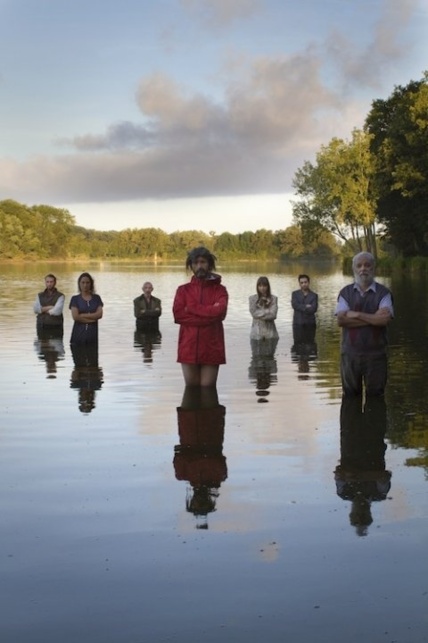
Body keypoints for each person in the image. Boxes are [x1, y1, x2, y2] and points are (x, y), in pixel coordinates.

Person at [336, 251, 393, 396]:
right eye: (359, 265)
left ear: (373, 268)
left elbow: (384, 320)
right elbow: (341, 320)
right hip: (350, 356)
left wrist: (357, 314)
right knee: (350, 399)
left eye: (367, 265)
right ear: (354, 269)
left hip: (376, 356)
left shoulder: (384, 293)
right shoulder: (345, 293)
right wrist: (374, 318)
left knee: (376, 399)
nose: (363, 269)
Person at [173, 247, 228, 387]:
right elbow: (179, 316)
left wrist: (191, 308)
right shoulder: (183, 290)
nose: (199, 266)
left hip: (212, 346)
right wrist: (209, 314)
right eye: (195, 263)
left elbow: (220, 313)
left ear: (209, 264)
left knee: (208, 388)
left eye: (203, 262)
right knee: (191, 389)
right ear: (191, 265)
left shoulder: (220, 290)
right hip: (188, 346)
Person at [69, 272, 103, 345]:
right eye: (83, 282)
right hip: (78, 336)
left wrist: (82, 315)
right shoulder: (75, 299)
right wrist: (92, 320)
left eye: (87, 282)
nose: (85, 285)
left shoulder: (96, 298)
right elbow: (75, 317)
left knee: (92, 355)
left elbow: (99, 314)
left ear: (91, 284)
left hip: (92, 337)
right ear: (79, 284)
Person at [249, 276, 279, 341]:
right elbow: (253, 313)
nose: (262, 288)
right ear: (257, 287)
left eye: (264, 286)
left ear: (268, 286)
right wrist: (267, 311)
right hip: (256, 332)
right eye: (260, 286)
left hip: (271, 332)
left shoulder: (274, 299)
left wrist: (259, 314)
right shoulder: (252, 298)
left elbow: (273, 315)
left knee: (271, 350)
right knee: (256, 350)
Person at [291, 274, 318, 344]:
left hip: (310, 324)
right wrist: (306, 306)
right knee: (297, 346)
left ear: (309, 282)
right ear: (299, 284)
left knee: (311, 345)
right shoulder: (295, 294)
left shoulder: (314, 295)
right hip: (298, 324)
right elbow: (294, 305)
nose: (304, 284)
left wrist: (301, 307)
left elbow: (314, 309)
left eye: (305, 282)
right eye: (301, 283)